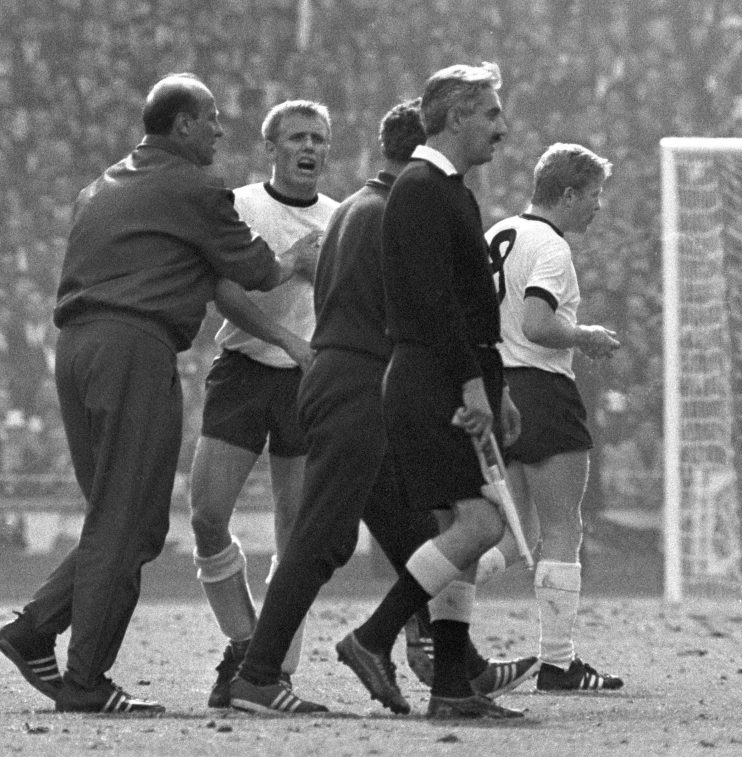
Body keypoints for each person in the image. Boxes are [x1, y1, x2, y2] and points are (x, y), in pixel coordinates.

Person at [0, 73, 318, 715]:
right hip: (133, 349)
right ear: (184, 125)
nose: (222, 131)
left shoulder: (102, 185)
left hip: (79, 349)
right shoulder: (195, 187)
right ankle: (86, 681)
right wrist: (296, 258)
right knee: (128, 517)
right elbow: (255, 270)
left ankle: (34, 631)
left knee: (123, 514)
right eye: (213, 118)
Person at [229, 99, 536, 715]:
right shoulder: (403, 211)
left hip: (345, 376)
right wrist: (470, 388)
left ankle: (459, 667)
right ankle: (256, 675)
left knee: (411, 529)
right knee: (321, 536)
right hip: (363, 380)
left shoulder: (354, 209)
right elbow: (428, 314)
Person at [187, 100, 337, 708]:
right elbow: (223, 291)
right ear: (272, 147)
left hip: (309, 382)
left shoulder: (342, 217)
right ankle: (249, 647)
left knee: (296, 534)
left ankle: (274, 673)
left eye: (320, 139)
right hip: (247, 370)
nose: (311, 148)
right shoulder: (242, 206)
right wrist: (287, 325)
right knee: (205, 514)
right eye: (298, 137)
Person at [483, 142, 624, 691]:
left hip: (495, 390)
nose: (599, 206)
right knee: (565, 525)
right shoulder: (551, 247)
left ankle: (428, 602)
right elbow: (539, 324)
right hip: (540, 388)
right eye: (593, 194)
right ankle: (559, 663)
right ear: (566, 194)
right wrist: (586, 336)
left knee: (518, 535)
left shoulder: (495, 234)